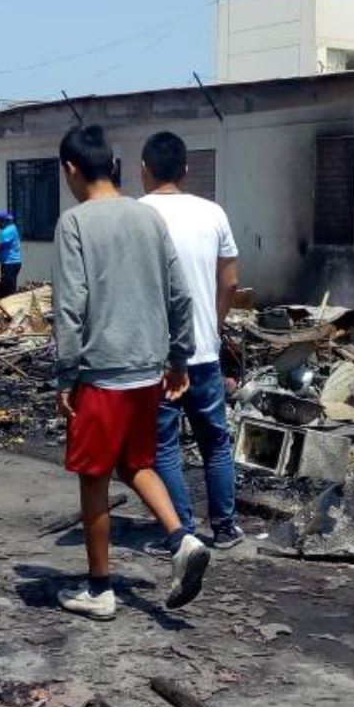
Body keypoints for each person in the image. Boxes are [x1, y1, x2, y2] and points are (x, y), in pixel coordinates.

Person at [51, 124, 211, 621]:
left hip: (101, 372)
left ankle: (100, 590)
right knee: (135, 463)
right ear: (114, 166)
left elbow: (71, 306)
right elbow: (180, 294)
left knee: (93, 476)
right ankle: (182, 539)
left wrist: (65, 375)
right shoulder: (148, 219)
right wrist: (179, 358)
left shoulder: (75, 223)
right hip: (147, 371)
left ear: (72, 169)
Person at [139, 132, 245, 549]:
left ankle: (181, 533)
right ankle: (223, 527)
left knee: (163, 445)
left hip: (156, 355)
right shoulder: (212, 213)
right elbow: (231, 280)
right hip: (203, 350)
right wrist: (213, 327)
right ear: (185, 169)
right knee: (214, 441)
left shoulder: (137, 214)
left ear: (143, 169)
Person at [0, 209, 24, 297]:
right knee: (4, 288)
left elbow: (0, 246)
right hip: (8, 264)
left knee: (9, 290)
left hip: (10, 263)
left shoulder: (8, 231)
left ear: (3, 220)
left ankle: (10, 307)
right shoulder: (9, 229)